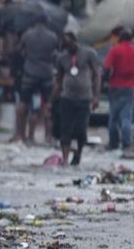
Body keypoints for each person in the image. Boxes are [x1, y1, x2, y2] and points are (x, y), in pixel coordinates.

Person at [53, 31, 102, 166]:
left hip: (84, 97)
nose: (69, 48)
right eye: (66, 45)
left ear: (75, 41)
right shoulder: (62, 58)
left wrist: (96, 96)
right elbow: (58, 80)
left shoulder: (88, 54)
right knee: (65, 130)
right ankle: (65, 159)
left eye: (70, 44)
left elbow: (97, 74)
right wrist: (52, 99)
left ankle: (78, 153)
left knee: (81, 130)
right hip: (67, 98)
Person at [15, 15, 58, 144]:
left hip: (29, 73)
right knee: (49, 105)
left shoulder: (27, 34)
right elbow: (55, 54)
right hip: (47, 74)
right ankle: (48, 136)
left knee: (23, 103)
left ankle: (21, 134)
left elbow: (20, 50)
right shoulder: (53, 36)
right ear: (46, 22)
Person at [103, 27, 134, 158]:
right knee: (126, 117)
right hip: (130, 87)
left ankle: (113, 143)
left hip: (115, 86)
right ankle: (126, 144)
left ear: (120, 38)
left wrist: (104, 81)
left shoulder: (114, 50)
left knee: (113, 116)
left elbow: (106, 68)